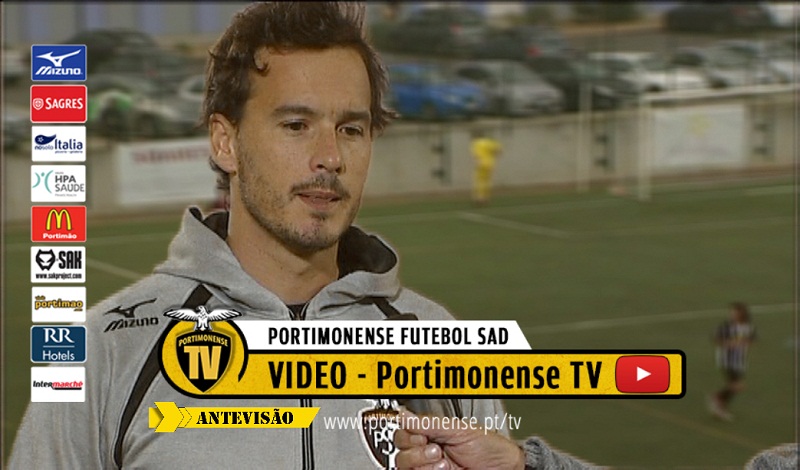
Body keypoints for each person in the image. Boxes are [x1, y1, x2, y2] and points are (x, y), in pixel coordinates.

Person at [9, 3, 592, 469]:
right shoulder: (101, 352)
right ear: (225, 142)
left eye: (351, 129)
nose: (329, 157)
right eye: (296, 125)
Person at [708, 302, 756, 422]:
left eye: (735, 313)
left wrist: (743, 343)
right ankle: (717, 399)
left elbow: (752, 339)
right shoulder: (726, 327)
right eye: (732, 312)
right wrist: (729, 344)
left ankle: (720, 405)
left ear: (742, 314)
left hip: (740, 361)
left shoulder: (748, 327)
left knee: (735, 387)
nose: (732, 315)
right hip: (728, 360)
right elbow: (716, 339)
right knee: (737, 386)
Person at [470, 129, 502, 205]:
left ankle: (480, 198)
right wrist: (493, 155)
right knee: (487, 181)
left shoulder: (475, 143)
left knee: (479, 181)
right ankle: (486, 197)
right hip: (490, 163)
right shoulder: (489, 142)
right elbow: (499, 150)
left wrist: (478, 162)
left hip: (481, 163)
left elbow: (476, 155)